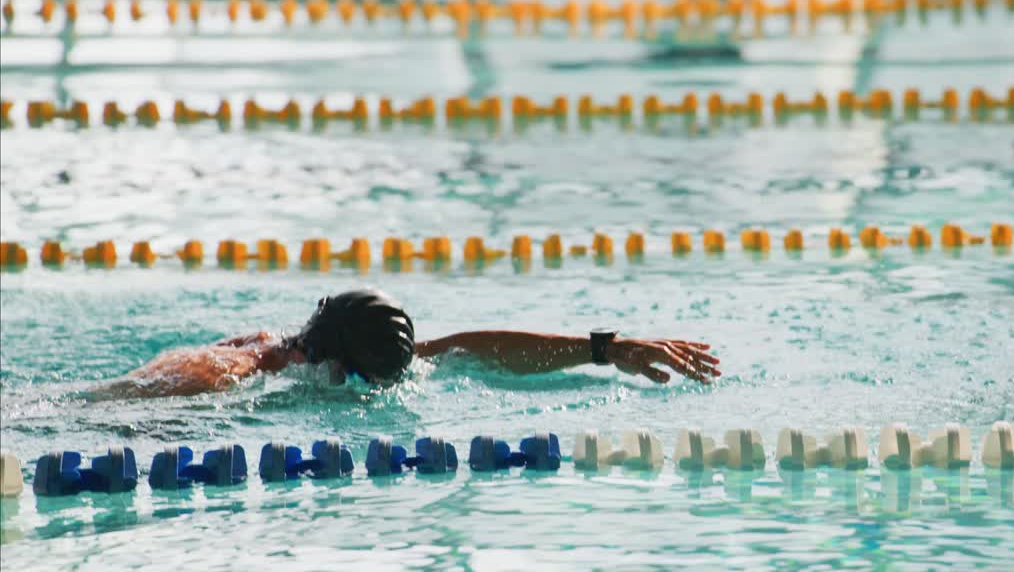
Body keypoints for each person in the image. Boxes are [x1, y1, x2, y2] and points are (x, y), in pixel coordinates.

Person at [98, 288, 721, 398]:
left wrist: (605, 348)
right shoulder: (219, 375)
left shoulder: (308, 356)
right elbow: (103, 406)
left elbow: (474, 347)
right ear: (340, 368)